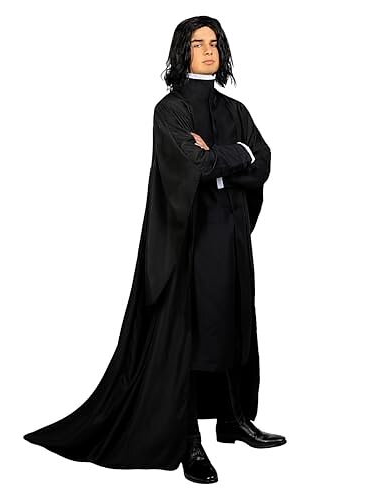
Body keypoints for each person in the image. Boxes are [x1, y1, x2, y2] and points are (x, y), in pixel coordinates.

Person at [23, 15, 286, 484]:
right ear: (183, 50)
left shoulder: (236, 110)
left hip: (230, 236)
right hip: (190, 239)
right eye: (198, 43)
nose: (209, 51)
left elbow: (263, 161)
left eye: (214, 43)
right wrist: (236, 156)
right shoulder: (170, 110)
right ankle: (188, 439)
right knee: (192, 332)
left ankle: (234, 418)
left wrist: (228, 160)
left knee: (234, 323)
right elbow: (196, 165)